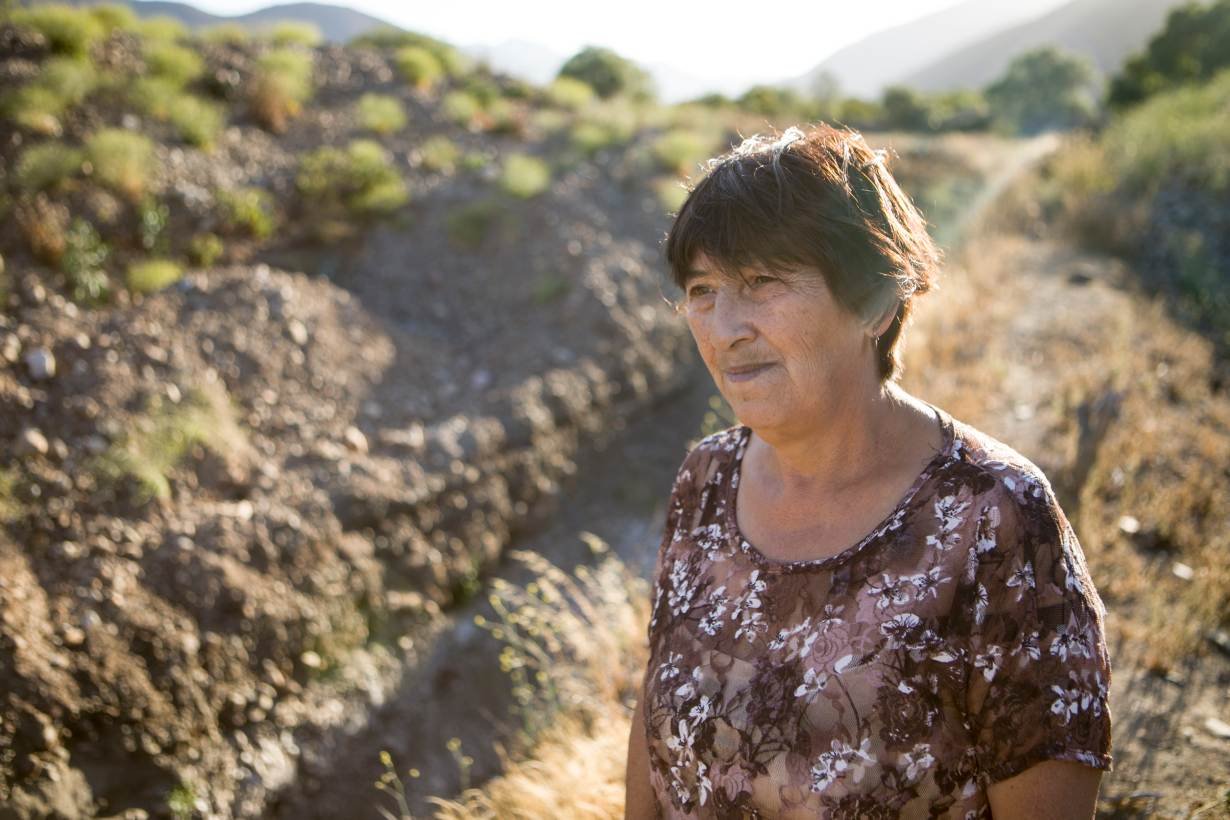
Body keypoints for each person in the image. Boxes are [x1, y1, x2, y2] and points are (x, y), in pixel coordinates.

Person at [624, 124, 1112, 818]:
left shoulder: (995, 516)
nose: (723, 326)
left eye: (761, 281)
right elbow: (653, 719)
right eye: (702, 288)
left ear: (877, 300)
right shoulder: (705, 481)